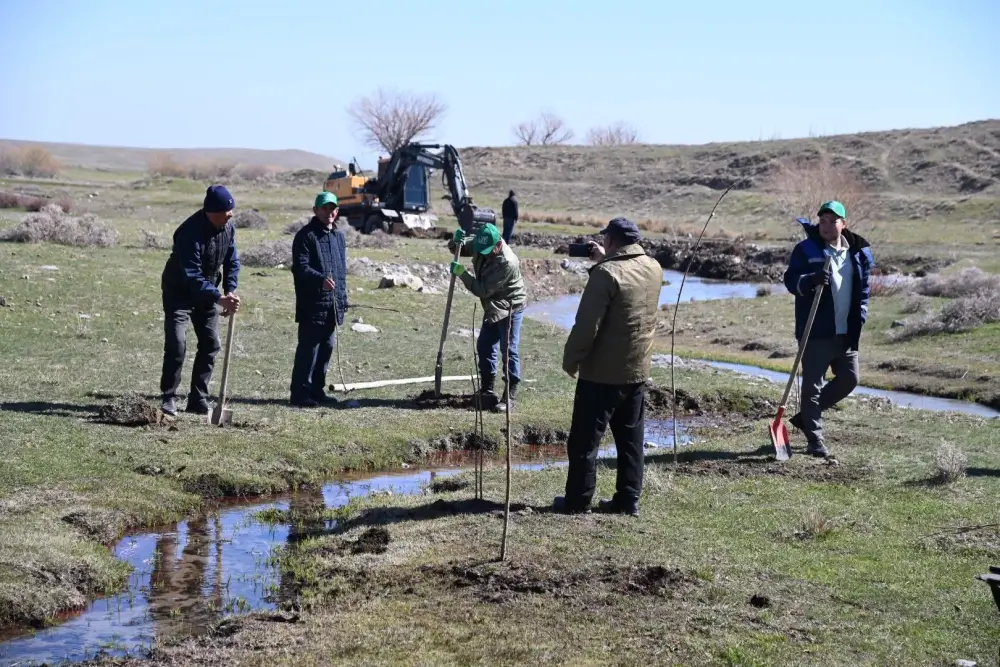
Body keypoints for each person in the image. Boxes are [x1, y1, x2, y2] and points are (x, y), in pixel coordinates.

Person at [554, 217, 662, 517]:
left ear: (612, 240)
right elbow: (627, 286)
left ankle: (578, 499)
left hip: (601, 375)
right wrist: (605, 260)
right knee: (630, 442)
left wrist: (571, 359)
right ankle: (628, 500)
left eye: (606, 240)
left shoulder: (605, 274)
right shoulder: (653, 268)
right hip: (636, 371)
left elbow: (587, 325)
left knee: (584, 443)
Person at [782, 200, 875, 458]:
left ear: (843, 224)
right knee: (812, 387)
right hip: (817, 330)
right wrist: (810, 280)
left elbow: (864, 289)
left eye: (832, 221)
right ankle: (815, 440)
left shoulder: (858, 253)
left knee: (849, 379)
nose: (825, 225)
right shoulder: (806, 249)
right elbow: (791, 280)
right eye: (822, 220)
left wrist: (862, 315)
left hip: (847, 331)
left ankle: (805, 418)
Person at [159, 185, 241, 416]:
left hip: (207, 293)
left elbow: (232, 260)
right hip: (180, 294)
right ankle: (168, 398)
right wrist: (219, 298)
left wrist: (230, 290)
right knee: (177, 344)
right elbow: (191, 275)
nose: (231, 214)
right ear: (212, 211)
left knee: (210, 344)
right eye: (227, 210)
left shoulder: (228, 229)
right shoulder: (189, 232)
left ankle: (198, 398)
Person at [450, 223, 527, 412]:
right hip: (493, 303)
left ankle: (510, 395)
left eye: (488, 250)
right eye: (480, 250)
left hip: (510, 305)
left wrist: (462, 274)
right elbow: (457, 248)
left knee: (508, 349)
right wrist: (455, 240)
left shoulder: (507, 262)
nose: (483, 254)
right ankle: (487, 389)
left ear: (498, 244)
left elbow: (482, 290)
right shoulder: (480, 244)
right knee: (484, 344)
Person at [289, 192, 349, 408]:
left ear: (337, 211)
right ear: (315, 210)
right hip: (312, 304)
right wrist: (320, 280)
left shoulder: (339, 237)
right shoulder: (305, 236)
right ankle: (300, 395)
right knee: (309, 350)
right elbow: (301, 268)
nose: (328, 212)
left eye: (332, 208)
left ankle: (317, 391)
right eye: (324, 208)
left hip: (332, 304)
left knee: (326, 349)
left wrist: (343, 298)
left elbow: (342, 271)